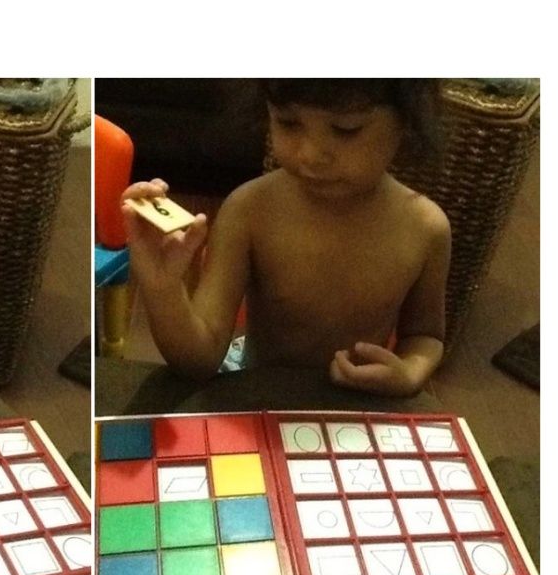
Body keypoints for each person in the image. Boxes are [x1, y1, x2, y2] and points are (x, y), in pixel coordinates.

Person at [122, 78, 450, 398]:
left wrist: (409, 373)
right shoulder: (249, 210)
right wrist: (163, 288)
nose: (310, 154)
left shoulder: (426, 228)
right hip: (257, 392)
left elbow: (425, 336)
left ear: (407, 121)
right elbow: (198, 361)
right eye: (288, 122)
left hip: (357, 401)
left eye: (345, 130)